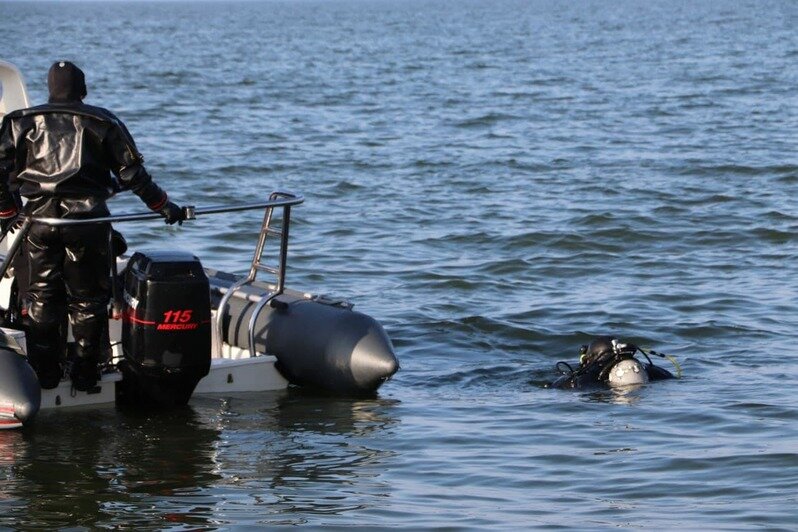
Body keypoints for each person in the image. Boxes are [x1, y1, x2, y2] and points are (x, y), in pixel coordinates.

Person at [0, 61, 183, 390]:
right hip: (89, 221)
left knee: (41, 299)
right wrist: (164, 206)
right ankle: (86, 375)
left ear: (49, 88)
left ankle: (45, 377)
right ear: (82, 90)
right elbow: (133, 175)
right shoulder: (104, 121)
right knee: (88, 301)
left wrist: (8, 211)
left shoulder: (19, 122)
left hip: (38, 221)